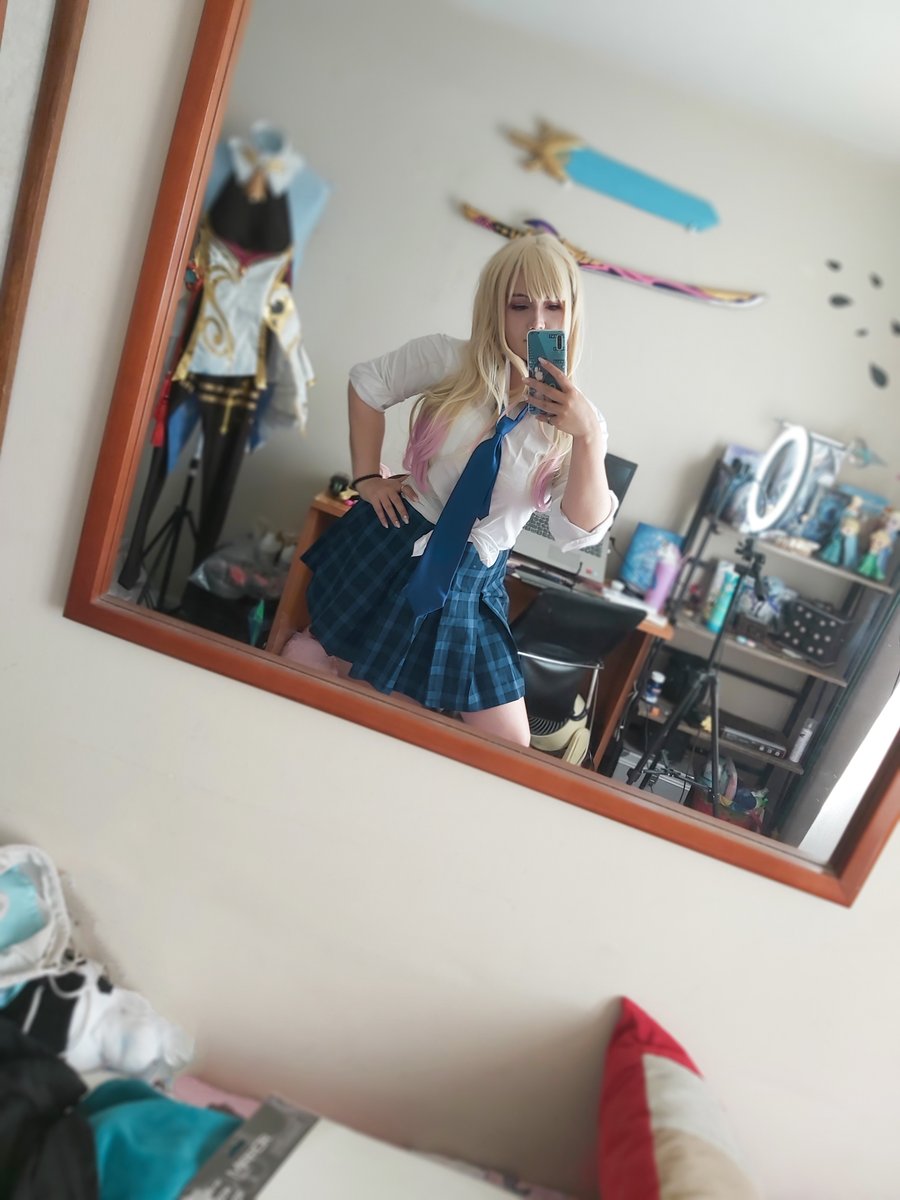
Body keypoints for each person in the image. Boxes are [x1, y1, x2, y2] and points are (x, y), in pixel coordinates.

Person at [281, 234, 618, 746]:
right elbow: (367, 383)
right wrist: (367, 477)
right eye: (520, 305)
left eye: (554, 306)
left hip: (473, 579)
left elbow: (578, 532)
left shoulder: (577, 422)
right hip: (398, 540)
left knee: (509, 742)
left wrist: (588, 436)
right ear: (495, 308)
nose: (538, 323)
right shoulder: (448, 359)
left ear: (572, 313)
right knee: (338, 679)